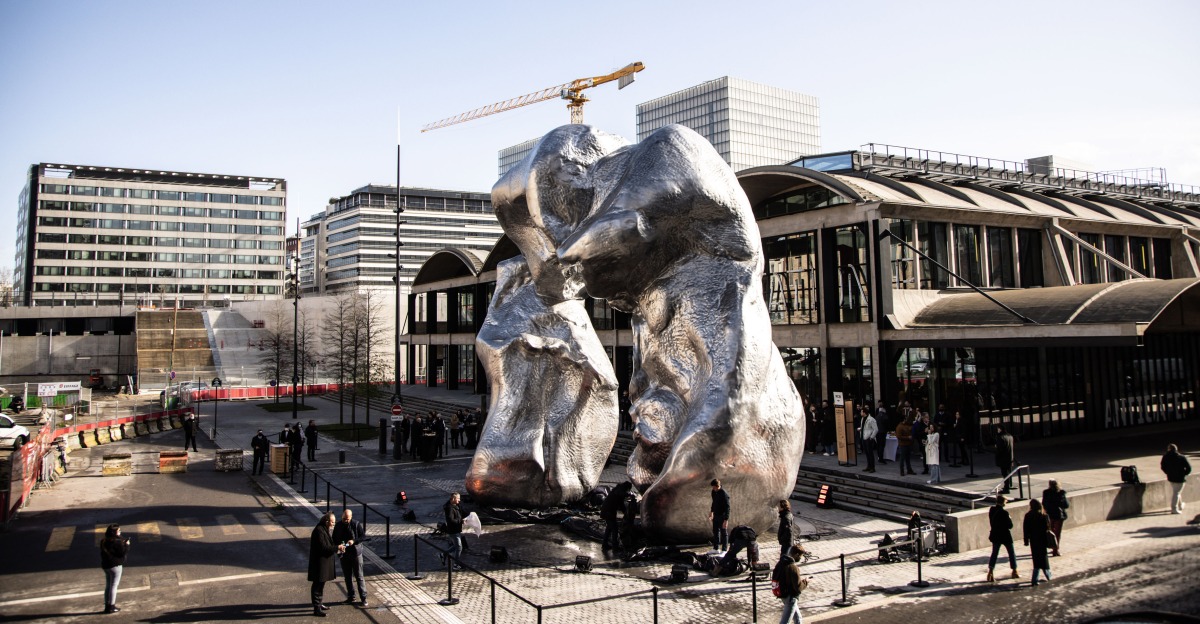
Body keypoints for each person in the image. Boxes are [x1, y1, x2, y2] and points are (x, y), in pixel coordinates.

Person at [308, 512, 343, 617]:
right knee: (318, 585)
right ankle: (316, 607)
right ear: (326, 521)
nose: (333, 524)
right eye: (332, 522)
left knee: (321, 584)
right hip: (319, 563)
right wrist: (337, 547)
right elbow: (324, 548)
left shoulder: (323, 528)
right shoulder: (319, 531)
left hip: (323, 562)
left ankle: (319, 604)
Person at [332, 509, 369, 606]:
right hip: (344, 554)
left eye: (347, 519)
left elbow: (363, 537)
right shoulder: (338, 525)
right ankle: (351, 596)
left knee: (359, 576)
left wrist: (354, 541)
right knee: (347, 576)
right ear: (342, 517)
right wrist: (339, 548)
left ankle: (363, 597)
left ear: (351, 517)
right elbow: (334, 538)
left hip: (356, 553)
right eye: (344, 519)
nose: (345, 521)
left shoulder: (356, 524)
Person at [985, 494, 1018, 582]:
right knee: (1011, 553)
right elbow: (1010, 526)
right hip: (1005, 535)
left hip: (995, 535)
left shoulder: (992, 510)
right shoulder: (1004, 513)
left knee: (994, 553)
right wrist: (1009, 518)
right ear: (1003, 502)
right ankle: (1014, 571)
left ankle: (991, 572)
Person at [771, 544, 808, 624]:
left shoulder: (781, 563)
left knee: (798, 618)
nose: (800, 558)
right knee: (785, 621)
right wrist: (805, 582)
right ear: (797, 555)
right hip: (791, 597)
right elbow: (798, 587)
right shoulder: (793, 567)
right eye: (800, 556)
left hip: (782, 594)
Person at [100, 524, 130, 614]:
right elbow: (122, 553)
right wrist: (127, 545)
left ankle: (107, 605)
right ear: (115, 532)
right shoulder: (117, 542)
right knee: (114, 585)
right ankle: (112, 606)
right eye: (119, 531)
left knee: (108, 585)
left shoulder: (103, 541)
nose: (120, 532)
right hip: (115, 565)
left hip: (106, 565)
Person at [1023, 498, 1052, 586]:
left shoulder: (1028, 515)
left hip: (1033, 540)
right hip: (1042, 539)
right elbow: (1048, 528)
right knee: (1043, 558)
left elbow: (1025, 529)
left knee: (1036, 559)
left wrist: (1026, 540)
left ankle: (1035, 579)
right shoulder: (1044, 515)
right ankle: (1047, 575)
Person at [601, 481, 633, 553]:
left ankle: (605, 544)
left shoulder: (617, 490)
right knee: (614, 529)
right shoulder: (619, 491)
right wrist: (629, 495)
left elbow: (621, 504)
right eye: (628, 489)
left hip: (607, 511)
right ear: (626, 488)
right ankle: (615, 547)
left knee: (609, 529)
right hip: (608, 512)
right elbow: (621, 496)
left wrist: (625, 512)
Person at [1160, 443, 1192, 514]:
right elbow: (1189, 468)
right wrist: (1184, 473)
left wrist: (1167, 472)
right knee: (1177, 492)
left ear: (1169, 449)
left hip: (1171, 477)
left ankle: (1180, 505)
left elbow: (1163, 466)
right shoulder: (1181, 457)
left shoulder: (1165, 457)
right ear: (1176, 449)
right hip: (1180, 477)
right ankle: (1174, 508)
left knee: (1176, 491)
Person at [1041, 479, 1069, 556]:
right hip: (1058, 515)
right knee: (1057, 533)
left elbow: (1043, 503)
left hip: (1049, 515)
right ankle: (1055, 550)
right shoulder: (1061, 492)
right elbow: (1066, 505)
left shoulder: (1046, 492)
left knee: (1051, 532)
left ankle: (1052, 547)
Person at [443, 492, 464, 570]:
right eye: (458, 498)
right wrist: (460, 521)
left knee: (456, 546)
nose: (459, 500)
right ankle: (456, 565)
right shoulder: (449, 508)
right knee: (459, 547)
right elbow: (451, 520)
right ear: (453, 499)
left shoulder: (456, 505)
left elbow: (461, 513)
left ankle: (444, 554)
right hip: (453, 530)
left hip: (457, 529)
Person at [709, 479, 731, 551]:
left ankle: (724, 550)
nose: (713, 489)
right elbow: (714, 502)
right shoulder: (714, 492)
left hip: (722, 515)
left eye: (714, 487)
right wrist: (712, 512)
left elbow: (727, 507)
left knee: (724, 533)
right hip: (716, 514)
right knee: (716, 531)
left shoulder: (724, 494)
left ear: (717, 486)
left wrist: (726, 520)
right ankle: (716, 548)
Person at [994, 426, 1015, 493]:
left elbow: (1000, 449)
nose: (997, 430)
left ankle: (1006, 488)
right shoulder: (1010, 436)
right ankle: (1007, 486)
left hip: (1003, 458)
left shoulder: (1001, 437)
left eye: (998, 429)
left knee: (1004, 473)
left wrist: (996, 448)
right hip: (1009, 457)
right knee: (1008, 472)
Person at [860, 407, 878, 473]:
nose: (860, 413)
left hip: (869, 438)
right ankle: (868, 466)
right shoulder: (862, 419)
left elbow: (876, 429)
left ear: (864, 412)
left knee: (870, 453)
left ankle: (872, 467)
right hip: (864, 437)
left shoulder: (871, 419)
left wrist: (871, 437)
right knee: (867, 453)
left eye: (861, 412)